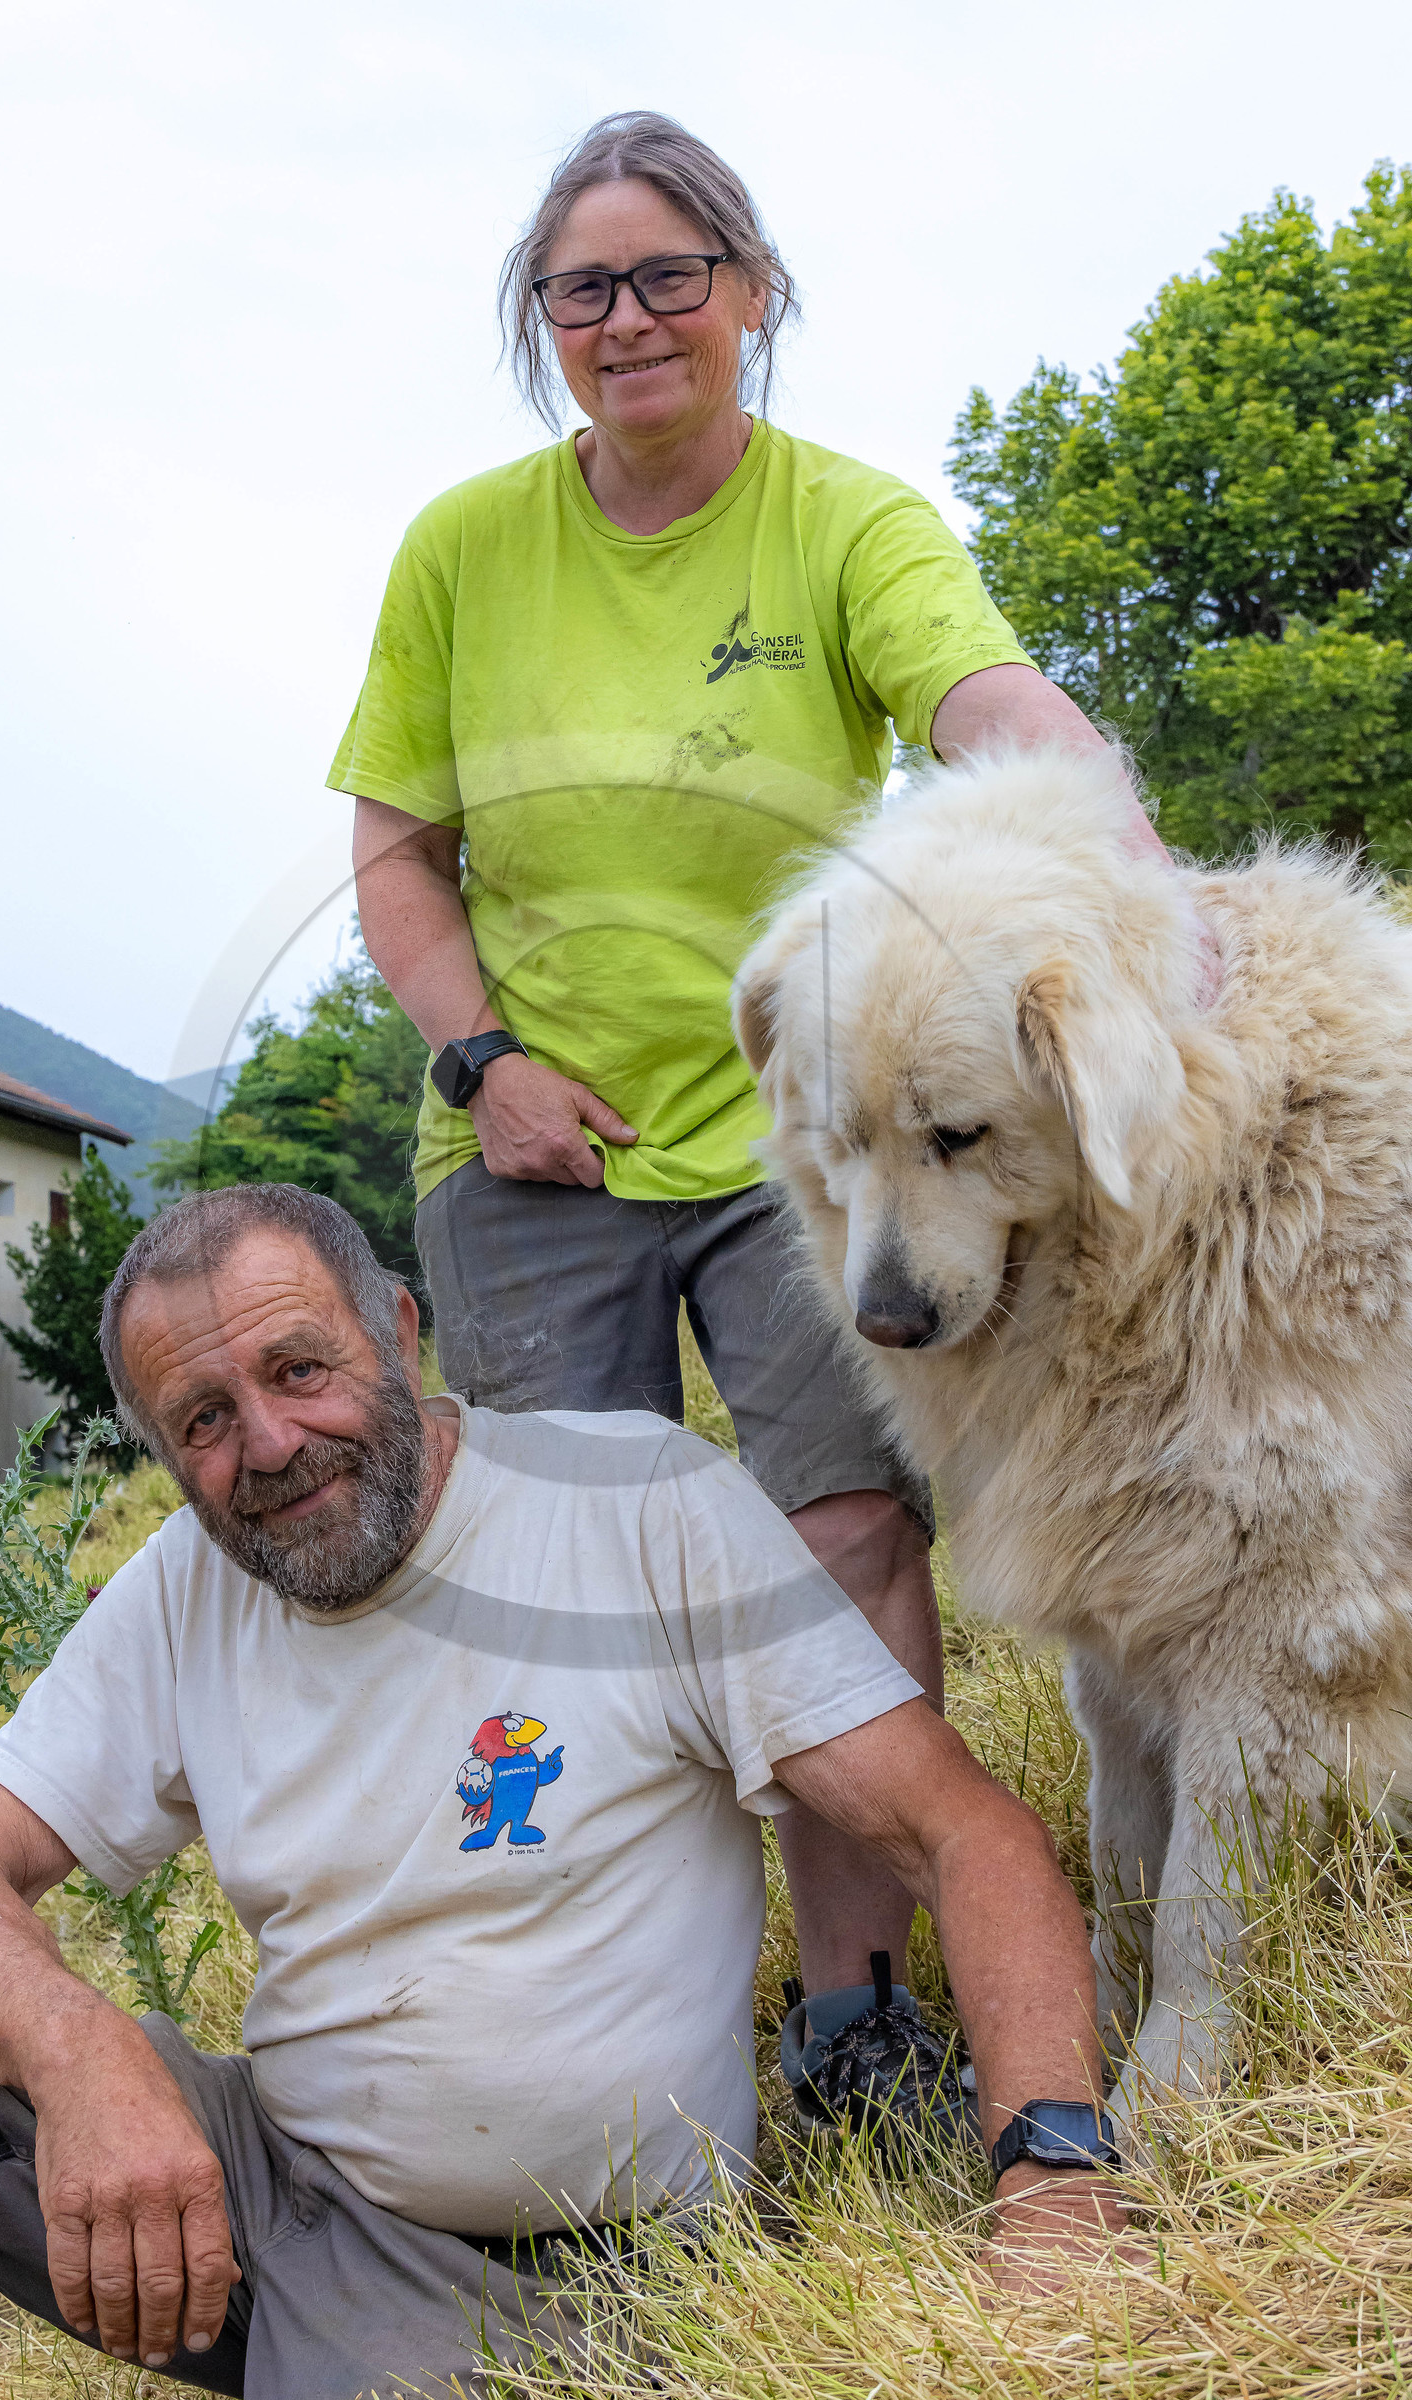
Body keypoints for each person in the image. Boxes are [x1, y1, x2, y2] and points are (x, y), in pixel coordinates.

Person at [341, 110, 1192, 2116]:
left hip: (810, 1151)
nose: (625, 319)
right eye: (581, 288)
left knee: (834, 1552)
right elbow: (396, 863)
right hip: (532, 1138)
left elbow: (981, 697)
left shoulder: (843, 519)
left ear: (748, 295)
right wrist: (484, 1064)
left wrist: (1117, 848)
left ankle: (849, 2018)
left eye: (667, 276)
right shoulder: (461, 550)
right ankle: (611, 2018)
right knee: (562, 1595)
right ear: (541, 320)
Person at [0, 1184, 1128, 2399]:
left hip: (589, 2262)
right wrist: (81, 2057)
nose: (269, 1444)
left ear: (398, 1330)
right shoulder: (186, 1589)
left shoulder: (635, 1506)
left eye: (298, 1370)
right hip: (277, 2187)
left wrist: (1057, 2186)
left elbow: (967, 1833)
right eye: (204, 1420)